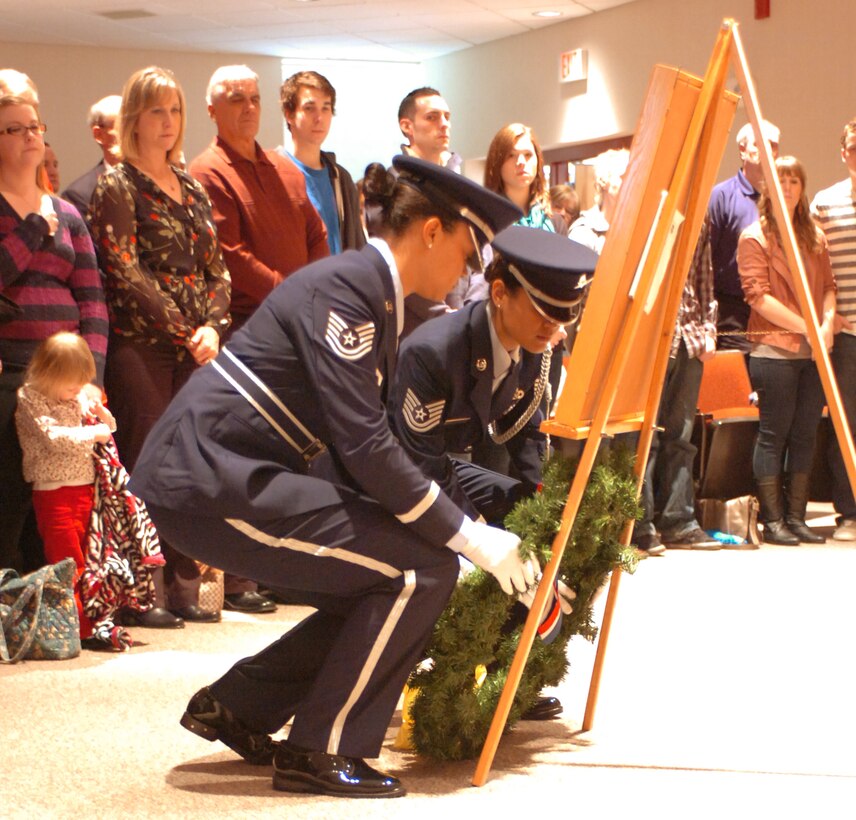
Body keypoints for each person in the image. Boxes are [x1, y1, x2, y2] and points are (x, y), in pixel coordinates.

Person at [127, 155, 529, 798]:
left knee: (390, 569)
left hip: (238, 472)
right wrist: (468, 538)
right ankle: (323, 749)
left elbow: (367, 446)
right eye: (467, 249)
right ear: (431, 231)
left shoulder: (379, 296)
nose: (468, 271)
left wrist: (457, 525)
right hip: (212, 480)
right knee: (419, 571)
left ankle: (241, 707)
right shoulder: (351, 289)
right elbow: (366, 445)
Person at [90, 66, 231, 627]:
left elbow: (217, 270)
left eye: (174, 110)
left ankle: (185, 585)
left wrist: (213, 328)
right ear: (134, 119)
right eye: (156, 111)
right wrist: (182, 329)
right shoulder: (117, 185)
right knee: (147, 466)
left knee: (190, 468)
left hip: (198, 347)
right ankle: (141, 592)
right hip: (143, 347)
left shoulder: (191, 186)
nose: (168, 121)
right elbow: (125, 270)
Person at [0, 90, 108, 575]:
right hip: (11, 373)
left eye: (35, 126)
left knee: (64, 505)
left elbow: (93, 302)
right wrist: (30, 232)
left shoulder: (68, 214)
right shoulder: (30, 217)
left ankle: (57, 612)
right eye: (15, 129)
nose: (30, 136)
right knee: (9, 499)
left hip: (66, 381)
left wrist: (92, 377)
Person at [737, 156, 840, 545]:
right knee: (773, 435)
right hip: (774, 352)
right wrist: (808, 328)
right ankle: (773, 520)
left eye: (794, 180)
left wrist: (826, 324)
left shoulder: (814, 233)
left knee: (805, 436)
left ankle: (796, 518)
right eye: (780, 180)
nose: (788, 186)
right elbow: (758, 298)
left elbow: (830, 286)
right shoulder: (754, 236)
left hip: (813, 352)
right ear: (768, 188)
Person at [190, 65, 327, 335]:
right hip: (251, 325)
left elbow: (317, 235)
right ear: (212, 111)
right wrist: (290, 294)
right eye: (237, 99)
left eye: (255, 99)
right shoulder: (206, 171)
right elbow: (232, 255)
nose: (249, 107)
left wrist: (314, 289)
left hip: (302, 315)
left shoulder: (284, 167)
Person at [14, 332, 115, 642]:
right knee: (66, 559)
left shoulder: (76, 396)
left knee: (88, 554)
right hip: (53, 490)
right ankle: (75, 626)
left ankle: (86, 621)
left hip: (84, 486)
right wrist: (94, 434)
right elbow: (53, 437)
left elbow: (110, 428)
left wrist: (100, 416)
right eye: (70, 384)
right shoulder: (29, 396)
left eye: (79, 383)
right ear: (49, 373)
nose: (75, 391)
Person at [632, 218, 721, 554]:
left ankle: (679, 521)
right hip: (650, 336)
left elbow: (704, 275)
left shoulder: (699, 210)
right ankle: (641, 525)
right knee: (645, 436)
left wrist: (709, 328)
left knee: (681, 437)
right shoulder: (650, 198)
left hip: (690, 338)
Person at [812, 119, 856, 541]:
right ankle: (848, 511)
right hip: (845, 334)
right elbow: (811, 267)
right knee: (847, 423)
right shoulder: (823, 203)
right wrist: (832, 316)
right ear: (844, 153)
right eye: (854, 148)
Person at [710, 120, 780, 354]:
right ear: (742, 150)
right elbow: (704, 259)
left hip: (777, 310)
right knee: (740, 387)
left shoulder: (784, 197)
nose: (768, 150)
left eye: (774, 145)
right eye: (760, 144)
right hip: (733, 311)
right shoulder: (721, 196)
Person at [278, 70, 365, 255]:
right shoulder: (273, 174)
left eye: (326, 108)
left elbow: (356, 245)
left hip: (338, 281)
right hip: (297, 282)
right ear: (289, 114)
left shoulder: (340, 178)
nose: (319, 118)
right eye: (309, 108)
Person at [61, 95, 122, 221]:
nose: (132, 134)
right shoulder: (79, 194)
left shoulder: (152, 179)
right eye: (121, 127)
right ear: (99, 134)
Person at [568, 148, 629, 253]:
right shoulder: (583, 232)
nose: (629, 182)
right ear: (603, 181)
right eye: (623, 176)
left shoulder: (635, 224)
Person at [397, 87, 460, 171]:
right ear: (407, 126)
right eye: (431, 117)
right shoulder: (393, 180)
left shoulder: (458, 176)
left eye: (446, 117)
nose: (445, 124)